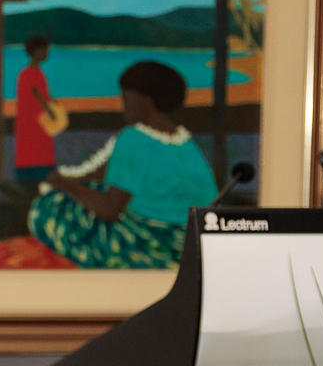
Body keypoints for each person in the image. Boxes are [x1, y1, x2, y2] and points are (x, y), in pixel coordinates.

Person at [25, 59, 217, 269]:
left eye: (125, 99)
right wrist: (74, 180)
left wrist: (63, 183)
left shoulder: (134, 138)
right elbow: (109, 174)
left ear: (145, 100)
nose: (122, 107)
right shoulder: (184, 141)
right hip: (190, 239)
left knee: (51, 206)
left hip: (150, 238)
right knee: (89, 190)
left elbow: (110, 210)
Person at [13, 35, 62, 180]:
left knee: (31, 156)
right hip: (36, 125)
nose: (46, 54)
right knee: (39, 157)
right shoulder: (32, 73)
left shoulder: (28, 73)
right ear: (34, 52)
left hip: (32, 125)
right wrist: (50, 111)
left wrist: (51, 101)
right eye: (44, 50)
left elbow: (40, 94)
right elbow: (37, 94)